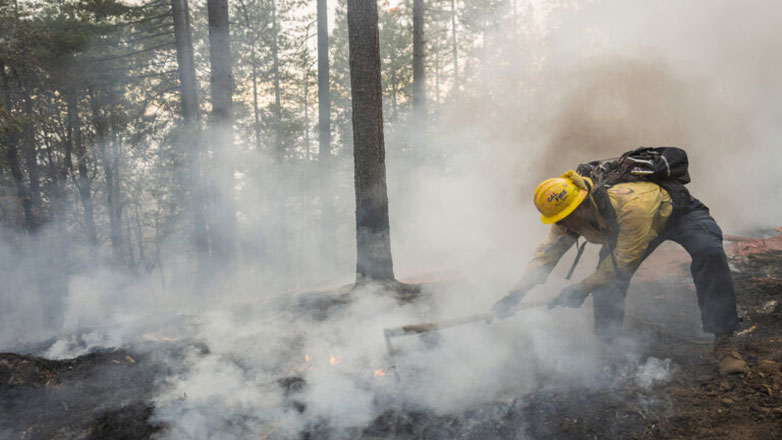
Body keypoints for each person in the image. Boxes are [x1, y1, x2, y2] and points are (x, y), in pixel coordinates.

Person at [491, 170, 748, 375]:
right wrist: (513, 296)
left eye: (566, 217)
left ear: (583, 204)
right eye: (558, 220)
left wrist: (580, 289)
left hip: (678, 215)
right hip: (630, 231)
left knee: (709, 253)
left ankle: (725, 344)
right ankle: (609, 347)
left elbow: (621, 262)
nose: (563, 225)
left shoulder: (632, 206)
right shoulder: (566, 219)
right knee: (606, 284)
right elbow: (546, 257)